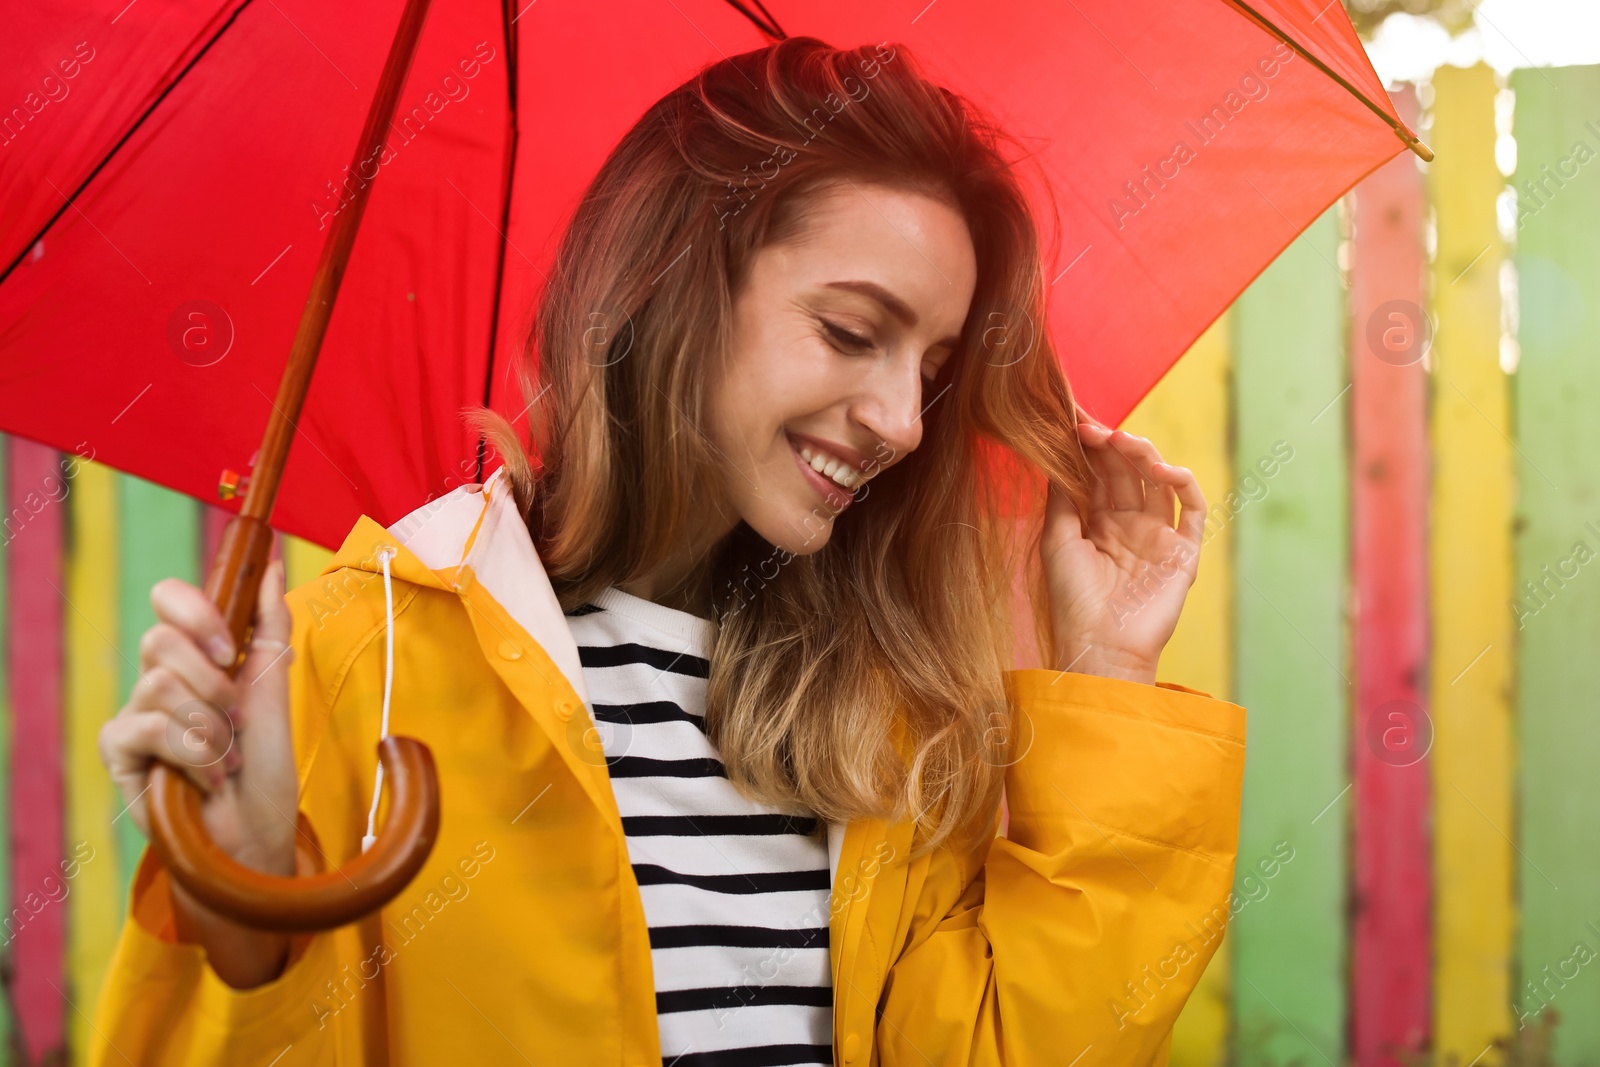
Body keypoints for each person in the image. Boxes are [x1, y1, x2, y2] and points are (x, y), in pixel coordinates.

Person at [91, 36, 1244, 1066]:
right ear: (673, 284)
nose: (902, 419)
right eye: (850, 331)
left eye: (933, 374)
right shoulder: (374, 651)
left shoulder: (893, 713)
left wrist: (1108, 673)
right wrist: (244, 911)